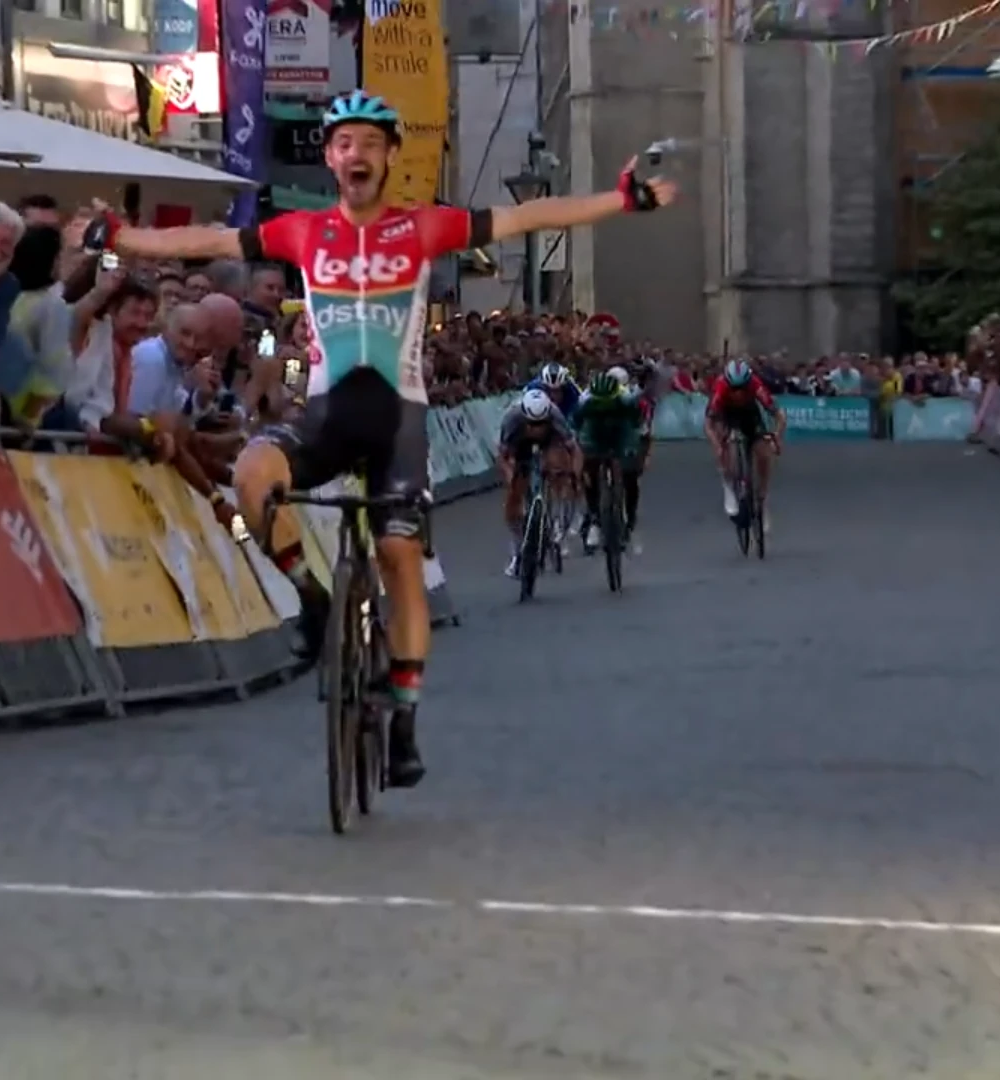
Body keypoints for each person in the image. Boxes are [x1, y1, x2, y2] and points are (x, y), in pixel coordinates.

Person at [80, 88, 674, 789]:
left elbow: (526, 215)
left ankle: (404, 718)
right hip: (327, 413)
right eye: (343, 143)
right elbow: (205, 240)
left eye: (369, 142)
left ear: (391, 155)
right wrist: (120, 237)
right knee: (250, 481)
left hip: (399, 417)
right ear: (330, 158)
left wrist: (623, 199)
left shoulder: (422, 228)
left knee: (397, 552)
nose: (355, 153)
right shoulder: (302, 232)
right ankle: (312, 597)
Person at [498, 386, 581, 577]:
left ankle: (553, 519)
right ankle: (518, 549)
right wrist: (511, 477)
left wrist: (572, 474)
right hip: (520, 443)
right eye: (532, 424)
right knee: (514, 495)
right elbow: (502, 456)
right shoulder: (512, 417)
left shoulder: (555, 415)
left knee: (555, 463)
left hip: (550, 441)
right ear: (524, 417)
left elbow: (573, 449)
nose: (536, 429)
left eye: (541, 423)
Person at [575, 366, 647, 553]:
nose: (603, 407)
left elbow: (638, 429)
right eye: (600, 403)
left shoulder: (626, 399)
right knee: (589, 468)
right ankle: (595, 519)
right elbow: (576, 429)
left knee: (630, 474)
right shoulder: (585, 401)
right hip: (594, 430)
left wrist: (636, 453)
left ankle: (630, 521)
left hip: (621, 429)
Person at [706, 357, 784, 529]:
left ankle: (762, 499)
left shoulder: (756, 385)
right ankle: (728, 485)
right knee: (726, 446)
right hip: (727, 414)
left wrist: (777, 436)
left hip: (750, 415)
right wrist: (718, 446)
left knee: (764, 453)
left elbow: (779, 416)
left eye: (742, 388)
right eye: (734, 389)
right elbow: (708, 425)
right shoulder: (720, 387)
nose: (738, 393)